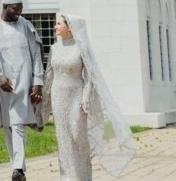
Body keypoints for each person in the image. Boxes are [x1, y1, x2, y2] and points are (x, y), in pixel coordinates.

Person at [43, 14, 137, 180]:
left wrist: (85, 98)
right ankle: (67, 177)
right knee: (63, 137)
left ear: (69, 27)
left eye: (58, 24)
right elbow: (49, 74)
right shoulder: (54, 48)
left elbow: (90, 76)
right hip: (58, 96)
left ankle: (83, 176)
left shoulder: (82, 48)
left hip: (77, 97)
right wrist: (43, 96)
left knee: (78, 136)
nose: (55, 27)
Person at [0, 0, 45, 181]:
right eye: (15, 9)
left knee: (18, 124)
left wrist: (37, 82)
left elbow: (36, 54)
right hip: (2, 85)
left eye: (21, 9)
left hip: (23, 82)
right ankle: (19, 168)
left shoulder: (26, 25)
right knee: (8, 126)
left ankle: (17, 169)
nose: (19, 13)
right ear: (5, 7)